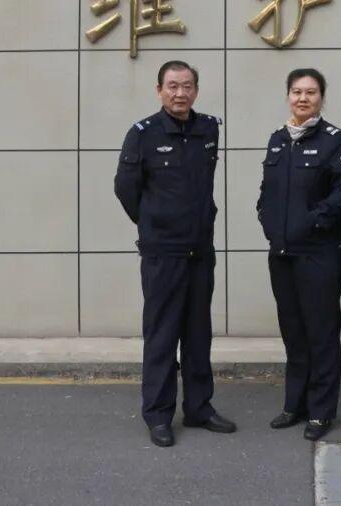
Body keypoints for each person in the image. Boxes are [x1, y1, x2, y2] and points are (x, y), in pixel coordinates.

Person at [114, 60, 236, 448]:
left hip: (200, 250)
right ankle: (158, 414)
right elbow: (126, 189)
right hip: (163, 253)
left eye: (186, 86)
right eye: (172, 86)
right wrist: (154, 222)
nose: (179, 93)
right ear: (159, 90)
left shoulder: (208, 129)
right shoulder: (143, 134)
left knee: (198, 333)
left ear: (196, 91)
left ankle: (199, 407)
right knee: (163, 335)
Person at [257, 68, 341, 441]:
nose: (303, 98)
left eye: (311, 92)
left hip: (319, 253)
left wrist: (313, 221)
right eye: (297, 92)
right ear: (288, 95)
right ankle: (294, 404)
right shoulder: (278, 140)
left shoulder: (336, 141)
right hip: (283, 253)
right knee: (293, 332)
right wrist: (268, 221)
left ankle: (321, 411)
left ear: (321, 98)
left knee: (321, 333)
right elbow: (267, 192)